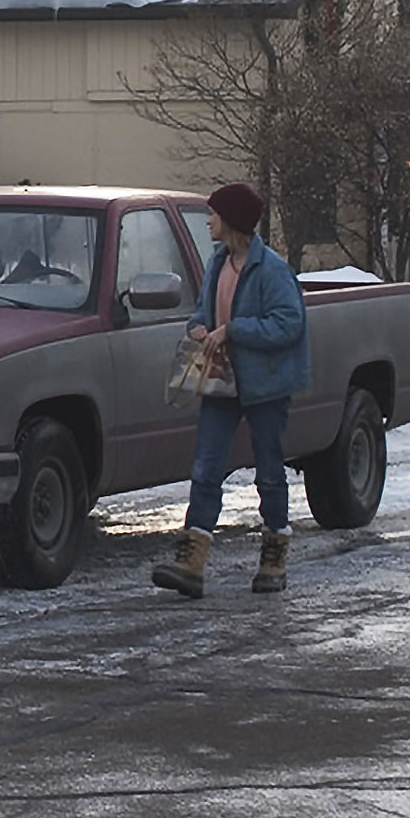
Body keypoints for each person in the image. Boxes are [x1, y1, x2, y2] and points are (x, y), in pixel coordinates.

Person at [152, 182, 311, 599]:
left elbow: (289, 324)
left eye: (214, 214)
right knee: (205, 466)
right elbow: (203, 310)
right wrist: (200, 327)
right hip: (222, 383)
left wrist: (233, 331)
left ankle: (274, 554)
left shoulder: (272, 270)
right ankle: (192, 560)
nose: (208, 221)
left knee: (270, 471)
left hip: (265, 385)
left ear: (233, 220)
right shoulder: (217, 263)